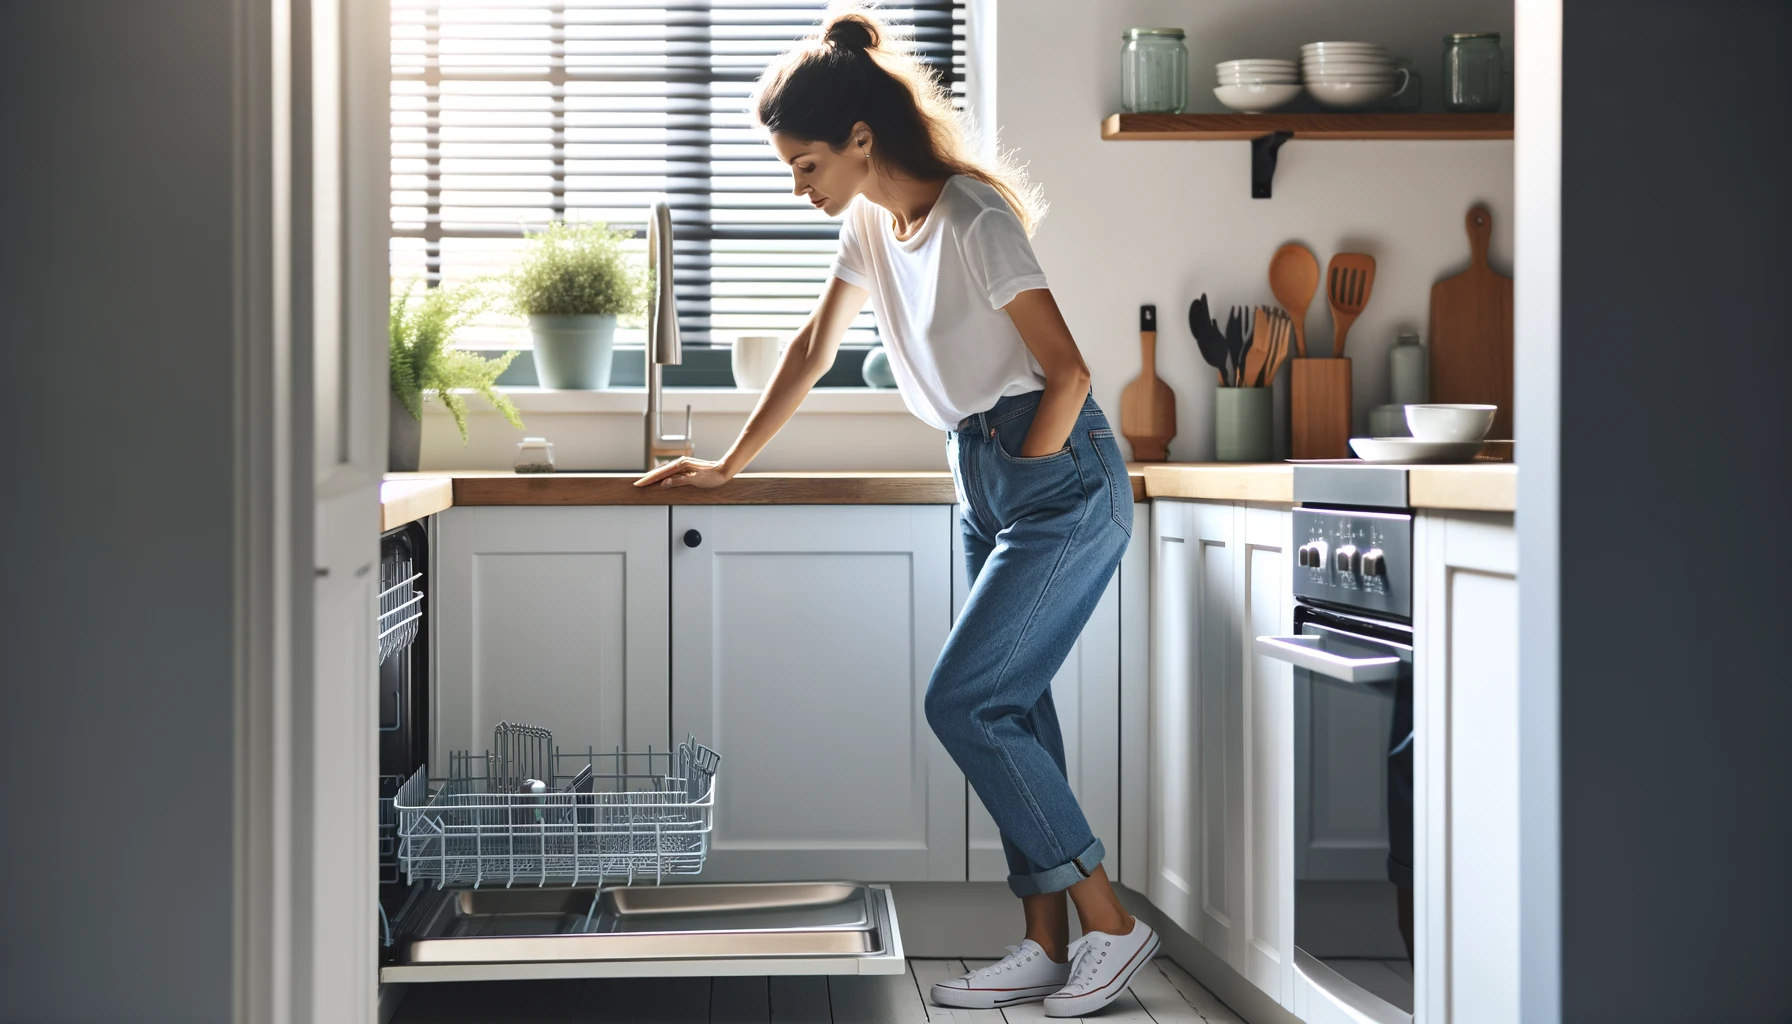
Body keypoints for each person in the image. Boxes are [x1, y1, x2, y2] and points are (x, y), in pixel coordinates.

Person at [634, 8, 1157, 1015]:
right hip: (986, 470)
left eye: (804, 164)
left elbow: (1067, 369)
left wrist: (1026, 463)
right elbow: (810, 348)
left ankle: (1110, 924)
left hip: (1057, 476)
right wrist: (730, 464)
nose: (799, 186)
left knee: (962, 701)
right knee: (1013, 712)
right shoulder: (872, 221)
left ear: (860, 141)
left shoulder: (972, 217)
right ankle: (1043, 944)